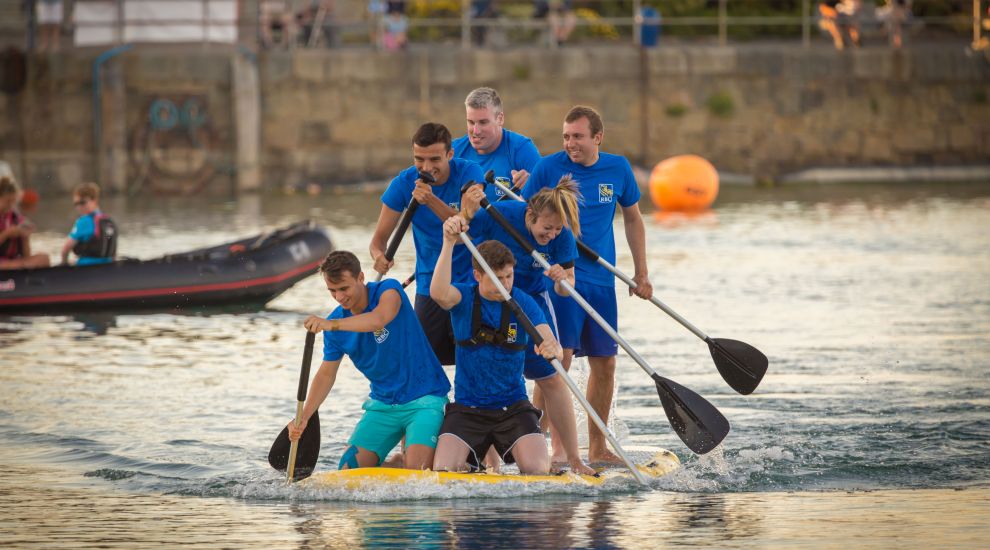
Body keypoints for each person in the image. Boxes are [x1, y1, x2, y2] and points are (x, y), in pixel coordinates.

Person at [521, 105, 652, 464]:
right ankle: (539, 445)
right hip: (560, 280)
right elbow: (525, 217)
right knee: (555, 362)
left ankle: (597, 447)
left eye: (577, 136)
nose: (570, 143)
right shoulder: (547, 168)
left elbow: (633, 220)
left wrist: (641, 273)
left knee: (605, 364)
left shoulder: (618, 168)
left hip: (600, 281)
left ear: (597, 137)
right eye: (565, 136)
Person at [459, 177, 593, 474]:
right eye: (546, 228)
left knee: (553, 375)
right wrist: (466, 211)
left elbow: (567, 286)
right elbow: (462, 234)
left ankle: (573, 458)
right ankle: (491, 459)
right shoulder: (501, 214)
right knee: (490, 376)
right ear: (530, 215)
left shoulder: (562, 236)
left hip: (531, 303)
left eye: (557, 229)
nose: (552, 234)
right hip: (488, 303)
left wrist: (562, 280)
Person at [287, 251, 451, 470]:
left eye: (344, 288)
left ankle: (406, 459)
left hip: (425, 399)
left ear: (361, 278)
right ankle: (397, 462)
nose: (339, 297)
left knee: (417, 477)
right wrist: (304, 417)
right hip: (382, 405)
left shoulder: (389, 290)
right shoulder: (335, 326)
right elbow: (326, 374)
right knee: (347, 473)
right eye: (332, 291)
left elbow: (378, 320)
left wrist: (330, 324)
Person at [430, 225, 558, 475]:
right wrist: (448, 242)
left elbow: (548, 337)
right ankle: (479, 460)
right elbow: (438, 293)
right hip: (468, 408)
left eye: (509, 276)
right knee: (444, 471)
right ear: (477, 275)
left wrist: (551, 346)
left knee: (537, 472)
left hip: (513, 407)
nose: (505, 285)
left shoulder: (522, 300)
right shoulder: (463, 297)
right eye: (498, 279)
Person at [370, 122, 486, 366]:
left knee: (472, 359)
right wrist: (379, 256)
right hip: (429, 283)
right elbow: (378, 241)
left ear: (450, 155)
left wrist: (430, 200)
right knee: (422, 362)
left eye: (435, 159)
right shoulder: (403, 183)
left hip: (470, 282)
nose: (426, 168)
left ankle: (471, 405)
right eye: (419, 160)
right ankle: (430, 405)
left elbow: (464, 227)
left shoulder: (469, 173)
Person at [452, 87, 542, 203]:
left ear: (500, 119)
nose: (475, 131)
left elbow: (550, 197)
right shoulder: (453, 151)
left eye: (483, 122)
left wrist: (534, 185)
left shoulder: (521, 148)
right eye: (471, 122)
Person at [60, 182, 117, 266]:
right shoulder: (109, 221)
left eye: (82, 203)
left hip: (87, 268)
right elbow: (112, 252)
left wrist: (64, 264)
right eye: (76, 204)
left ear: (94, 200)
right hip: (107, 267)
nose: (79, 207)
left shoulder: (84, 221)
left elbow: (66, 249)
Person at [0, 176, 49, 269]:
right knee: (13, 265)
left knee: (44, 258)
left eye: (13, 202)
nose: (10, 205)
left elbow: (26, 256)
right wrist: (6, 234)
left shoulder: (16, 218)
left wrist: (25, 237)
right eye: (7, 201)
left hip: (14, 262)